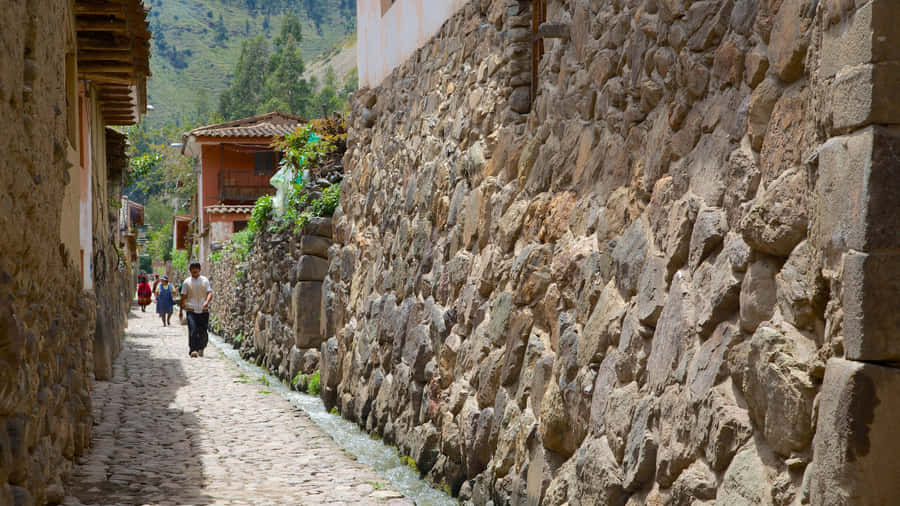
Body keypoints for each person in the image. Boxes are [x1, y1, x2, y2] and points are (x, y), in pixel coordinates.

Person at [179, 262, 213, 358]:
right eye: (193, 269)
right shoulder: (186, 282)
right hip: (191, 309)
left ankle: (201, 347)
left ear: (199, 269)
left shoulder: (205, 281)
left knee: (203, 331)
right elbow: (183, 296)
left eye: (196, 268)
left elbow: (209, 292)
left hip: (203, 310)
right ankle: (193, 349)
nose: (195, 271)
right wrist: (181, 310)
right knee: (193, 330)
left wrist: (207, 301)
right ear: (190, 270)